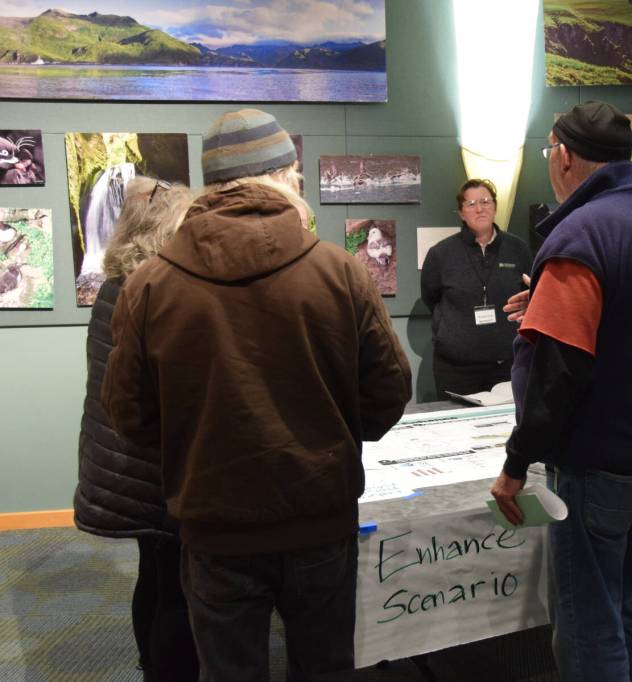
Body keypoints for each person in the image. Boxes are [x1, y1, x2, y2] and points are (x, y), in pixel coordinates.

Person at [102, 108, 412, 680]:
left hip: (214, 529)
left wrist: (194, 446)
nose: (300, 183)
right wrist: (335, 432)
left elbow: (129, 415)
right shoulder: (339, 271)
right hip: (320, 520)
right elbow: (388, 391)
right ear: (278, 175)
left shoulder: (149, 285)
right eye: (295, 173)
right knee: (326, 669)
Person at [490, 101, 632, 682]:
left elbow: (561, 374)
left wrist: (515, 464)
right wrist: (547, 304)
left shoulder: (579, 235)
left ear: (562, 155)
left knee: (588, 624)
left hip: (601, 464)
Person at [74, 176, 198, 682]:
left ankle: (152, 666)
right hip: (154, 466)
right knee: (178, 586)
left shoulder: (115, 285)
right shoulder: (154, 291)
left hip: (123, 459)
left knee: (156, 572)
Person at [421, 178, 532, 397]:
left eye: (485, 201)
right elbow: (430, 297)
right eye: (471, 204)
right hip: (455, 369)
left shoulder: (517, 249)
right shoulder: (440, 254)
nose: (479, 209)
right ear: (461, 213)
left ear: (495, 207)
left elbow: (530, 293)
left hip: (507, 365)